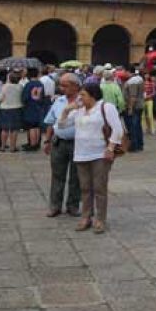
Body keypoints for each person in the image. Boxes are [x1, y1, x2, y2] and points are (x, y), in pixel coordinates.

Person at [58, 84, 124, 233]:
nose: (80, 98)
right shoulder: (79, 110)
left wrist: (111, 148)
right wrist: (67, 110)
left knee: (99, 187)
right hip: (81, 153)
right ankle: (86, 216)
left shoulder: (106, 107)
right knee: (85, 187)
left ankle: (100, 218)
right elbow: (62, 126)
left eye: (83, 95)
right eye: (80, 95)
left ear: (93, 95)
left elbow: (117, 129)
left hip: (100, 154)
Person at [43, 73, 82, 218]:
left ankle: (73, 205)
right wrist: (47, 141)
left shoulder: (83, 101)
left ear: (75, 86)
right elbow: (50, 122)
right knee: (57, 175)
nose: (62, 88)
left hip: (78, 143)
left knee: (76, 176)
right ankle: (55, 206)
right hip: (59, 142)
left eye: (65, 86)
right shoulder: (59, 101)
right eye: (61, 85)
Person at [21, 67, 48, 151]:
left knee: (31, 127)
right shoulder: (40, 84)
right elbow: (43, 96)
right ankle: (36, 143)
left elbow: (24, 97)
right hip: (38, 106)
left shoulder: (29, 84)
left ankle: (32, 144)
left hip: (30, 107)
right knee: (37, 126)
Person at [0, 71, 25, 152]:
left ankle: (2, 147)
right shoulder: (20, 87)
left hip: (5, 108)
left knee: (4, 129)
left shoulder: (5, 86)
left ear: (9, 78)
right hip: (17, 108)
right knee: (14, 129)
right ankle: (12, 147)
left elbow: (0, 98)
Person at [122, 67, 145, 152]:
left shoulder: (132, 82)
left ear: (128, 71)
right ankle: (140, 144)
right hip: (140, 105)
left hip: (134, 106)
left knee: (133, 126)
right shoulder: (140, 79)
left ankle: (134, 145)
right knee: (138, 125)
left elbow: (133, 96)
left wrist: (130, 108)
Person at [142, 70, 156, 136]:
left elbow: (154, 92)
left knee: (150, 114)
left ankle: (152, 129)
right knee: (142, 116)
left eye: (147, 74)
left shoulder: (152, 83)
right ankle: (144, 129)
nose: (146, 76)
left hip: (149, 100)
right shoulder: (141, 82)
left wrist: (149, 96)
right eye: (145, 74)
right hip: (143, 100)